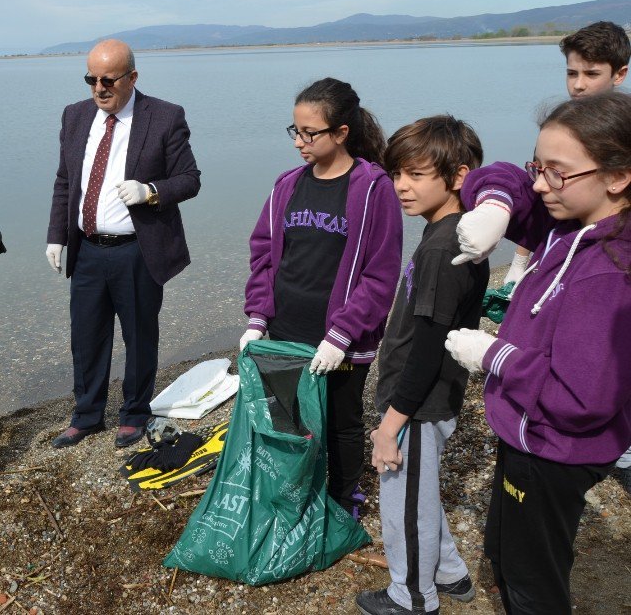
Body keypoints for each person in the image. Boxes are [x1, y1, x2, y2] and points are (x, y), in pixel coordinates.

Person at [446, 92, 631, 614]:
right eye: (539, 166)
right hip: (528, 434)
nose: (539, 184)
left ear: (617, 175)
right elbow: (495, 175)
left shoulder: (608, 275)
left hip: (552, 451)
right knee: (509, 553)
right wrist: (496, 206)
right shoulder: (566, 224)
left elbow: (582, 398)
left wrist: (493, 356)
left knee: (533, 580)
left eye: (557, 173)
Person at [241, 77, 402, 516]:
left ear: (341, 132)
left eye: (310, 133)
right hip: (285, 331)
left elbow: (381, 273)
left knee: (341, 425)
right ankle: (295, 496)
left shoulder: (372, 188)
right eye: (295, 131)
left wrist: (342, 334)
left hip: (340, 339)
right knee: (289, 421)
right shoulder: (287, 185)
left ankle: (343, 498)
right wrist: (257, 317)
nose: (299, 142)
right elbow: (263, 254)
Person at [356, 116, 488, 615]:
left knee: (402, 503)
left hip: (418, 402)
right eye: (396, 174)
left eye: (415, 174)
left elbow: (430, 346)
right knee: (419, 490)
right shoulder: (453, 232)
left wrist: (391, 423)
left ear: (457, 175)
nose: (401, 186)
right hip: (426, 398)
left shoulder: (442, 248)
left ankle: (412, 598)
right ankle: (450, 574)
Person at [46, 39, 201, 449]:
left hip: (137, 249)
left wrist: (149, 191)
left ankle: (134, 413)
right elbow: (66, 181)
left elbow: (189, 179)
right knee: (87, 336)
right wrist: (57, 236)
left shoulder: (165, 117)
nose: (99, 89)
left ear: (132, 77)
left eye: (108, 80)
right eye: (91, 79)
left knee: (138, 334)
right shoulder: (75, 116)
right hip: (88, 249)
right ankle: (86, 415)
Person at [503, 21, 630, 287]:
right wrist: (520, 260)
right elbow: (541, 196)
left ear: (619, 75)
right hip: (562, 247)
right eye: (571, 73)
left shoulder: (623, 131)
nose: (578, 85)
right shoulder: (561, 128)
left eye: (591, 74)